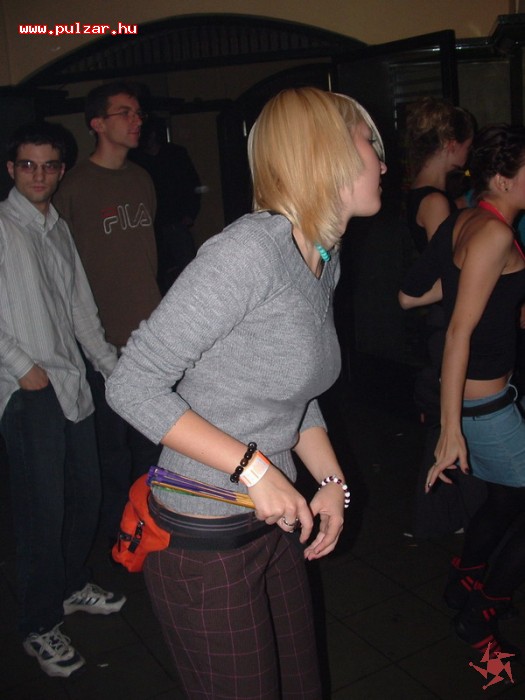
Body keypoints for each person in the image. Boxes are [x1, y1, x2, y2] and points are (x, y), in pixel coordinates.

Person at [106, 87, 387, 699]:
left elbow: (294, 392)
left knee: (302, 686)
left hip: (272, 520)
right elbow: (131, 384)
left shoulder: (322, 257)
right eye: (371, 143)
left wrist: (332, 482)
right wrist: (254, 468)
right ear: (327, 154)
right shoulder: (249, 252)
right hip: (203, 536)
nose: (384, 163)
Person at [0, 122, 126, 678]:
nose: (39, 175)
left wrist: (113, 371)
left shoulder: (57, 228)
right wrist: (23, 368)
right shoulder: (3, 226)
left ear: (61, 170)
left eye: (49, 165)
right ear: (11, 169)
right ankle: (37, 623)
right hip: (29, 392)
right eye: (28, 165)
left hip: (72, 383)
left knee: (86, 494)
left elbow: (80, 309)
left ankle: (71, 585)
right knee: (41, 514)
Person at [399, 124, 525, 656]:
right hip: (484, 408)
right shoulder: (493, 233)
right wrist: (450, 432)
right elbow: (458, 333)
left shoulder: (465, 218)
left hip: (481, 400)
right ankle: (482, 612)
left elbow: (410, 295)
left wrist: (464, 289)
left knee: (504, 499)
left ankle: (463, 582)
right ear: (503, 179)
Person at [54, 82, 162, 541]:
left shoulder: (141, 179)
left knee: (154, 443)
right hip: (100, 343)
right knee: (110, 452)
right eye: (125, 113)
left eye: (138, 113)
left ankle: (152, 529)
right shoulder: (73, 187)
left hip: (151, 338)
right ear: (97, 123)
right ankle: (119, 537)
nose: (137, 120)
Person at [403, 97, 483, 539]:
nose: (469, 151)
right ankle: (443, 518)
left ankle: (445, 517)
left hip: (429, 324)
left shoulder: (423, 194)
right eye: (467, 143)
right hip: (437, 323)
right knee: (445, 418)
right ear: (451, 144)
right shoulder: (434, 201)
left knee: (441, 418)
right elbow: (444, 275)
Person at [129, 114, 201, 294]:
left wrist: (190, 214)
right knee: (155, 272)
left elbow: (192, 184)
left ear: (153, 134)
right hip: (150, 225)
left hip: (176, 221)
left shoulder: (175, 154)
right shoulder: (135, 159)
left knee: (188, 270)